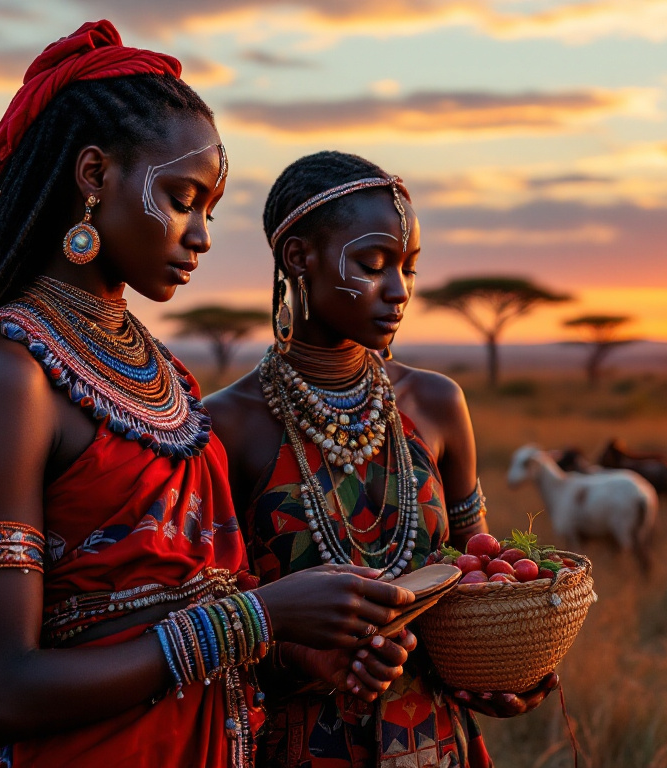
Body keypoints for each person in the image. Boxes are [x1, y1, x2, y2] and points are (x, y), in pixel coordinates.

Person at [0, 23, 415, 768]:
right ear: (93, 175)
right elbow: (3, 690)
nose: (202, 235)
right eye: (182, 198)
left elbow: (193, 606)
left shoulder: (168, 374)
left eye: (209, 206)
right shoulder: (11, 377)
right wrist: (258, 616)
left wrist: (304, 651)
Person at [205, 151, 558, 768]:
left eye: (409, 267)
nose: (399, 290)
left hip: (437, 745)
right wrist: (300, 656)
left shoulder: (438, 404)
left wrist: (506, 670)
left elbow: (473, 576)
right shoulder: (226, 426)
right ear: (298, 259)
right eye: (372, 265)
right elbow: (208, 625)